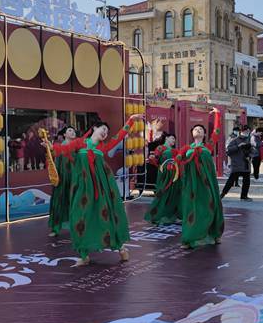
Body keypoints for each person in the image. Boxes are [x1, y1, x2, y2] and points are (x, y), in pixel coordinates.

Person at [56, 114, 144, 266]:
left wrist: (131, 119)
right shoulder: (80, 143)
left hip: (102, 189)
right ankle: (84, 255)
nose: (105, 133)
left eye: (107, 132)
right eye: (103, 129)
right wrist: (50, 147)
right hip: (83, 189)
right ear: (94, 128)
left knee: (106, 216)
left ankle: (120, 247)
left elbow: (120, 135)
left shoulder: (103, 147)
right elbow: (64, 149)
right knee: (80, 217)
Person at [176, 108, 225, 249]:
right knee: (192, 210)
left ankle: (213, 234)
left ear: (204, 134)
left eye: (201, 129)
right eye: (195, 129)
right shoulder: (186, 149)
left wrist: (217, 114)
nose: (198, 130)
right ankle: (190, 237)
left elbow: (216, 131)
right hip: (191, 185)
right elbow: (177, 160)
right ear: (192, 133)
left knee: (209, 207)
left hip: (206, 184)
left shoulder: (208, 146)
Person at [46, 126, 82, 237]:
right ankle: (55, 228)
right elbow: (53, 162)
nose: (73, 132)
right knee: (59, 202)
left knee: (76, 202)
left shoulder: (78, 147)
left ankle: (78, 227)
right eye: (70, 130)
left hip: (75, 178)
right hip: (62, 178)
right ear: (64, 135)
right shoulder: (59, 147)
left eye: (74, 130)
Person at [144, 133, 181, 225]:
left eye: (175, 139)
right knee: (162, 194)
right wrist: (152, 158)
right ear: (167, 138)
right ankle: (154, 216)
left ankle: (171, 215)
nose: (174, 140)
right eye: (172, 138)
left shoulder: (175, 150)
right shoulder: (160, 148)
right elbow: (156, 160)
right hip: (164, 175)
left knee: (174, 196)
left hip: (174, 176)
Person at [221, 124, 252, 201]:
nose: (247, 132)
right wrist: (238, 146)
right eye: (246, 131)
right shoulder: (234, 140)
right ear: (242, 131)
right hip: (237, 164)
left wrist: (250, 153)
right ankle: (222, 194)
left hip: (245, 164)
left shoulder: (248, 140)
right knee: (231, 181)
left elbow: (253, 151)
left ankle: (244, 196)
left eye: (248, 131)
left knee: (246, 181)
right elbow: (228, 151)